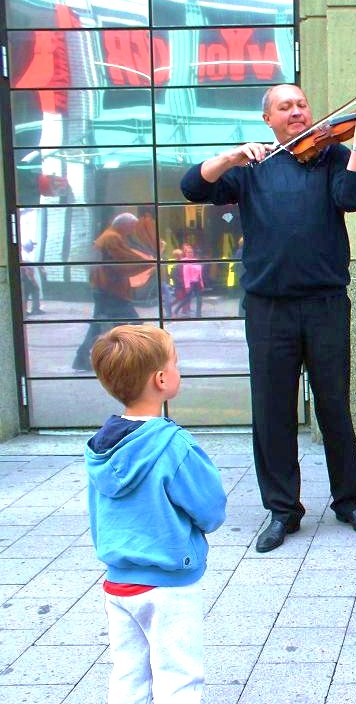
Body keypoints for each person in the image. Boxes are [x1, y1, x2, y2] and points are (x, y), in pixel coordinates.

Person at [180, 84, 356, 552]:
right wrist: (231, 157)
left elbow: (353, 198)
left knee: (334, 404)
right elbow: (193, 186)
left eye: (301, 104)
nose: (297, 112)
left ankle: (348, 500)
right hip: (268, 306)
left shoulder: (333, 156)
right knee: (271, 411)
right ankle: (282, 510)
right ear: (268, 119)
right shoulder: (253, 167)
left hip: (325, 303)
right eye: (285, 107)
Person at [85, 325, 227, 704]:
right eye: (176, 363)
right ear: (161, 379)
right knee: (179, 678)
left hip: (118, 582)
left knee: (129, 677)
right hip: (168, 583)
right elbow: (211, 509)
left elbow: (98, 515)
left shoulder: (101, 447)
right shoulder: (173, 445)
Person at [72, 213, 155, 371]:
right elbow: (124, 260)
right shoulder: (113, 238)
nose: (132, 231)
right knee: (133, 323)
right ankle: (134, 360)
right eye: (132, 227)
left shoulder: (110, 236)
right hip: (111, 291)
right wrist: (147, 262)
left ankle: (83, 357)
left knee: (101, 325)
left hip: (105, 289)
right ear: (124, 225)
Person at [20, 239, 44, 315]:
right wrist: (33, 280)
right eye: (32, 245)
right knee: (33, 291)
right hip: (27, 277)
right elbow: (27, 269)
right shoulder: (25, 256)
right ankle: (33, 310)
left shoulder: (25, 254)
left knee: (27, 293)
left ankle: (28, 310)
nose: (33, 247)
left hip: (26, 277)